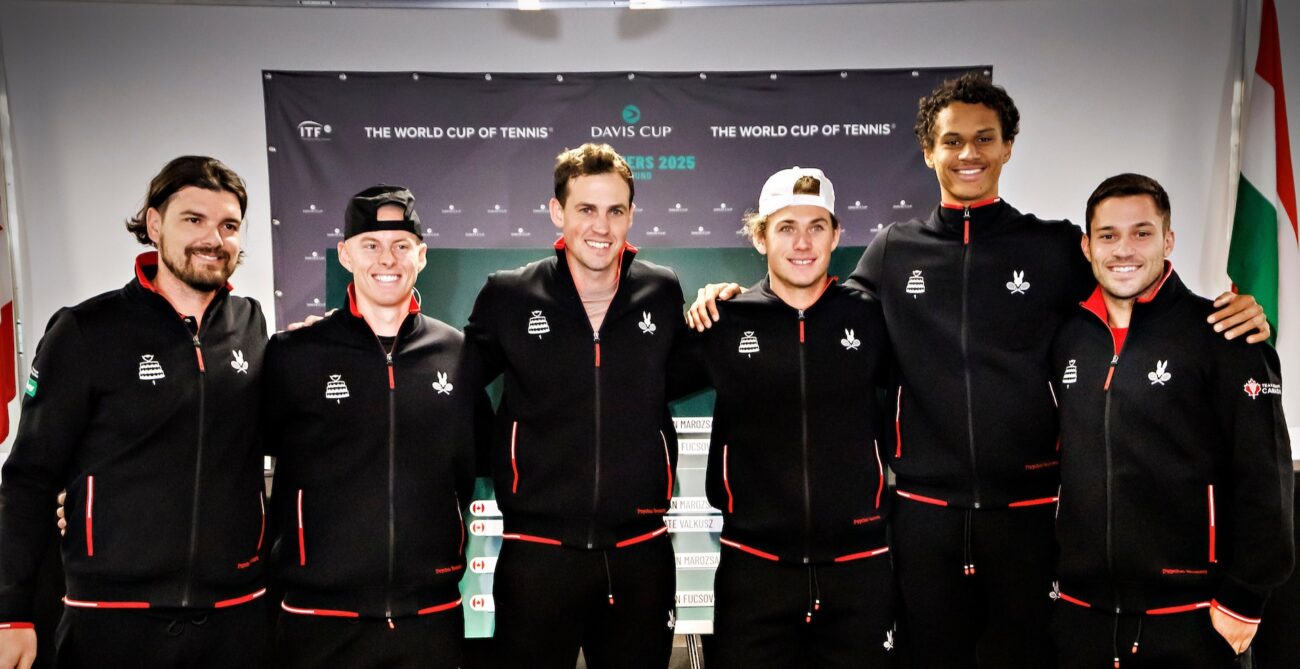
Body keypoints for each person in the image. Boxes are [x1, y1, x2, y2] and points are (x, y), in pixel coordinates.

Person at [687, 73, 1270, 668]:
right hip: (922, 518)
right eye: (953, 140)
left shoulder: (1053, 247)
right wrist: (731, 300)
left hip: (1030, 516)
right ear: (928, 151)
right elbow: (815, 309)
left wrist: (1224, 312)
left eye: (985, 138)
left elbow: (1132, 284)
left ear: (1007, 146)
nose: (969, 153)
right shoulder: (894, 250)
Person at [0, 156, 269, 669]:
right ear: (154, 224)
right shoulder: (85, 330)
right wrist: (11, 611)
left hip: (235, 623)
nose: (213, 237)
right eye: (193, 219)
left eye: (228, 225)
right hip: (112, 622)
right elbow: (29, 479)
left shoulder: (253, 326)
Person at [1050, 173, 1293, 668]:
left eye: (1142, 232)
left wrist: (1245, 599)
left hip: (1193, 620)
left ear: (1168, 239)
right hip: (1082, 618)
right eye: (1108, 235)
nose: (1124, 250)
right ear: (1087, 245)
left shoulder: (1226, 336)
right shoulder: (1067, 339)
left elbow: (1266, 478)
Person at [464, 143, 688, 669]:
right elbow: (444, 377)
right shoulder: (509, 295)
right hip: (537, 555)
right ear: (557, 212)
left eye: (616, 210)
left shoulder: (662, 290)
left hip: (641, 555)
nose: (602, 226)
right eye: (586, 209)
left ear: (631, 214)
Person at [262, 186, 482, 668]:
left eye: (402, 245)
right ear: (345, 254)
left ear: (421, 256)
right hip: (317, 618)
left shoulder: (460, 355)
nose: (388, 258)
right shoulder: (294, 354)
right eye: (371, 244)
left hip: (430, 617)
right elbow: (225, 457)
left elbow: (481, 457)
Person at [690, 167, 894, 668]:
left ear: (836, 234)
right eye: (786, 227)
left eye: (817, 226)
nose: (803, 242)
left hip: (859, 568)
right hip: (754, 568)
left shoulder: (871, 317)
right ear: (760, 237)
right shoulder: (723, 319)